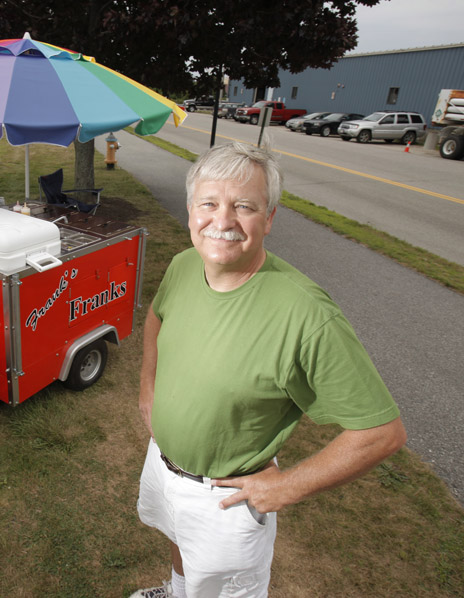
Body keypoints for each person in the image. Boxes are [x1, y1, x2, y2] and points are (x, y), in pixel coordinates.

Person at [132, 142, 406, 598]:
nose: (222, 221)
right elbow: (157, 316)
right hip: (163, 466)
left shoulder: (307, 316)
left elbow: (382, 432)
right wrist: (147, 387)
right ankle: (177, 591)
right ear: (190, 210)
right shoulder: (184, 265)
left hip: (225, 498)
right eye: (210, 203)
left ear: (270, 218)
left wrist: (287, 488)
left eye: (244, 206)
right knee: (178, 543)